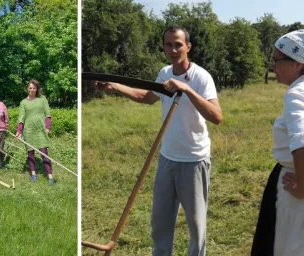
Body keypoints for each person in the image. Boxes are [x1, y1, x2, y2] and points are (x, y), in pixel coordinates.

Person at [95, 25, 223, 256]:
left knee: (196, 225)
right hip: (167, 158)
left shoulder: (201, 77)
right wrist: (114, 86)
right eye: (168, 44)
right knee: (160, 223)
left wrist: (187, 89)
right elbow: (146, 97)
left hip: (194, 160)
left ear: (188, 47)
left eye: (178, 44)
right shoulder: (164, 73)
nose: (173, 49)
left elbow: (216, 116)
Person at [251, 29, 304, 256]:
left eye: (277, 60)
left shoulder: (296, 94)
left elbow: (301, 140)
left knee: (286, 246)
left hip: (292, 183)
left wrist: (301, 187)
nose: (273, 66)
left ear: (297, 64)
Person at [15, 79, 56, 185]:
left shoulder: (42, 99)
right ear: (27, 89)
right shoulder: (23, 102)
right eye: (30, 88)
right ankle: (33, 174)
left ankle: (50, 176)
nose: (32, 90)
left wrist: (47, 127)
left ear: (37, 89)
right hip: (28, 131)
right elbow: (21, 117)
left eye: (34, 88)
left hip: (40, 130)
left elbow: (48, 114)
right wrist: (19, 131)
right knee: (30, 153)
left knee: (44, 153)